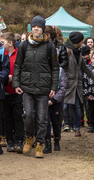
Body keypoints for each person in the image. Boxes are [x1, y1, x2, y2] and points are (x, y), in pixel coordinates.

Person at [12, 16, 59, 158]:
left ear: (43, 28)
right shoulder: (23, 45)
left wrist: (53, 87)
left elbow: (55, 69)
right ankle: (29, 137)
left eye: (38, 27)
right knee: (28, 115)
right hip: (26, 87)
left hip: (43, 88)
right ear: (31, 28)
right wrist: (16, 83)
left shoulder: (50, 46)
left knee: (42, 118)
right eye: (33, 27)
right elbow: (18, 66)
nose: (36, 29)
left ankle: (40, 144)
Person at [61, 31, 94, 137]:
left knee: (77, 107)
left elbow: (84, 68)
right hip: (67, 84)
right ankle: (62, 125)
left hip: (77, 85)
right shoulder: (67, 52)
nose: (83, 42)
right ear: (76, 41)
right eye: (81, 40)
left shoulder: (79, 52)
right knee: (63, 106)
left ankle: (77, 128)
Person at [0, 32, 24, 153]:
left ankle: (20, 140)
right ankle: (10, 140)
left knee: (18, 116)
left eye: (2, 43)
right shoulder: (1, 54)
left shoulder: (19, 54)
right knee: (7, 117)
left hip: (17, 91)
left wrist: (14, 78)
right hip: (4, 91)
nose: (0, 45)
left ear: (10, 43)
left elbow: (22, 71)